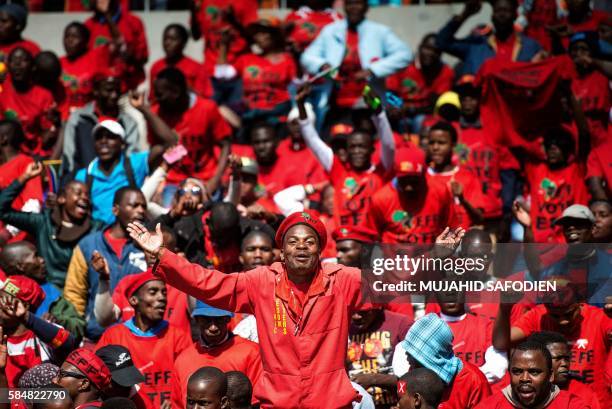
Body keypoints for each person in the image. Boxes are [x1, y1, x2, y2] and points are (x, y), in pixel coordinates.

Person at [126, 211, 365, 408]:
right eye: (293, 241)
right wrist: (161, 254)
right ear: (281, 252)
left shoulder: (342, 280)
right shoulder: (261, 282)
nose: (301, 246)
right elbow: (207, 283)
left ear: (320, 252)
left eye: (309, 241)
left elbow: (394, 278)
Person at [297, 85, 396, 227]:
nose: (357, 151)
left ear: (372, 149)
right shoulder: (339, 171)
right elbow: (312, 140)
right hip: (344, 242)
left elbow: (389, 145)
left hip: (372, 242)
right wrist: (301, 105)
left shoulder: (381, 172)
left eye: (362, 147)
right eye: (353, 147)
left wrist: (379, 113)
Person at [300, 0, 411, 120]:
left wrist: (373, 70)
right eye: (350, 3)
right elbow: (307, 57)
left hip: (368, 101)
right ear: (344, 7)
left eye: (358, 3)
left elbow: (405, 54)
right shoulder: (331, 30)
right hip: (336, 102)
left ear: (366, 7)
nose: (354, 7)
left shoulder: (380, 31)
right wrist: (322, 65)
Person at [96, 270, 192, 407]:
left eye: (164, 292)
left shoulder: (179, 336)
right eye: (153, 292)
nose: (162, 298)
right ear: (134, 300)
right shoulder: (114, 336)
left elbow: (188, 383)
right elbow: (98, 380)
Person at [64, 187, 148, 341]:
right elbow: (74, 294)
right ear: (116, 210)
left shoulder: (148, 247)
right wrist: (79, 329)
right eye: (134, 205)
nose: (141, 210)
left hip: (137, 336)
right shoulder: (88, 245)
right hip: (96, 337)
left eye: (143, 206)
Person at [0, 162, 102, 288]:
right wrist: (24, 177)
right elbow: (2, 210)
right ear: (61, 199)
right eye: (78, 193)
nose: (85, 198)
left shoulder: (95, 228)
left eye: (87, 195)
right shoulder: (43, 223)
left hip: (80, 294)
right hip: (47, 292)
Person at [508, 297, 611, 407]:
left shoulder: (581, 396)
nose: (563, 321)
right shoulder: (517, 395)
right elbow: (502, 341)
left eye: (566, 358)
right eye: (555, 315)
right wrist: (504, 309)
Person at [151, 67, 231, 200]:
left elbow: (226, 143)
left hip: (206, 178)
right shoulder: (156, 114)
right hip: (174, 183)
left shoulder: (207, 108)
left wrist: (216, 180)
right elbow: (154, 152)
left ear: (176, 92)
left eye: (160, 95)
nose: (156, 99)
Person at [94, 226, 191, 334]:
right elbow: (104, 320)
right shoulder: (129, 283)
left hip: (174, 349)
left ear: (175, 252)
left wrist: (185, 269)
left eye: (160, 248)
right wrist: (103, 278)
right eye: (148, 248)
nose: (153, 253)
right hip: (133, 348)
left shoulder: (185, 286)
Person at [73, 119, 169, 225]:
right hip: (98, 236)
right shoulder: (84, 175)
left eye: (110, 137)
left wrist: (143, 108)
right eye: (98, 137)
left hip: (132, 232)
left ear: (122, 143)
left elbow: (169, 142)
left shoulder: (135, 164)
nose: (103, 141)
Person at [171, 301, 262, 409]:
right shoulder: (183, 360)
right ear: (196, 319)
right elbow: (177, 404)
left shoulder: (251, 353)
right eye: (206, 320)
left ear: (228, 319)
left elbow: (257, 403)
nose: (213, 327)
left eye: (219, 319)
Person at [393, 313, 491, 409]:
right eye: (408, 352)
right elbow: (401, 389)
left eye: (413, 354)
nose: (407, 357)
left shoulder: (474, 381)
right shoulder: (416, 370)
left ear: (432, 357)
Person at [61, 73, 143, 182]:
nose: (114, 95)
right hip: (83, 181)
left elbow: (132, 157)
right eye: (108, 90)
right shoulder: (79, 118)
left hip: (118, 182)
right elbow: (69, 157)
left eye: (117, 91)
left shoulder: (128, 122)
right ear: (96, 91)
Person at [365, 146, 455, 244]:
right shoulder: (381, 199)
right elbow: (374, 235)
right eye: (404, 181)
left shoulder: (440, 191)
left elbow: (449, 225)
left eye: (414, 181)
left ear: (424, 175)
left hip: (432, 256)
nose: (409, 187)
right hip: (395, 257)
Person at [0, 275, 78, 387]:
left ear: (24, 306)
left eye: (2, 301)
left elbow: (68, 343)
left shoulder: (43, 335)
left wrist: (27, 318)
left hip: (40, 401)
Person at [218, 17, 296, 126]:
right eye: (257, 34)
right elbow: (221, 75)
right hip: (249, 115)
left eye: (264, 33)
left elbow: (297, 86)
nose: (259, 37)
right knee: (221, 111)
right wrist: (223, 45)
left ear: (275, 35)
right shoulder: (247, 59)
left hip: (278, 115)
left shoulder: (288, 60)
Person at [0, 241, 85, 337]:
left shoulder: (52, 292)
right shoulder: (4, 293)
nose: (42, 260)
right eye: (35, 256)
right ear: (20, 266)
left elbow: (78, 326)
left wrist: (57, 321)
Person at [437, 0, 542, 76]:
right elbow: (442, 42)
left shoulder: (531, 47)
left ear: (515, 15)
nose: (502, 14)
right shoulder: (476, 46)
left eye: (506, 10)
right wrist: (464, 15)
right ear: (492, 16)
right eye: (498, 10)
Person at [473, 341, 590, 409]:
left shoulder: (572, 406)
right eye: (517, 372)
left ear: (550, 376)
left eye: (534, 372)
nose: (524, 379)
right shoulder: (490, 406)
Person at [522, 128, 589, 244]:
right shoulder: (536, 170)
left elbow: (584, 136)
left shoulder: (577, 171)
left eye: (557, 147)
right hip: (540, 242)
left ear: (567, 150)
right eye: (549, 147)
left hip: (567, 241)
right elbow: (527, 145)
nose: (552, 151)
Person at [454, 76, 502, 225]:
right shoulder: (452, 132)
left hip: (491, 210)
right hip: (460, 212)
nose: (468, 103)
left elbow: (508, 171)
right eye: (464, 98)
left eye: (472, 98)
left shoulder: (495, 129)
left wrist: (506, 212)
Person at [189, 1, 257, 105]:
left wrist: (233, 20)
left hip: (239, 71)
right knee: (209, 112)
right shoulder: (202, 2)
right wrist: (193, 11)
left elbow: (253, 38)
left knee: (236, 114)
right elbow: (196, 36)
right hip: (212, 71)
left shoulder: (246, 2)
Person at [386, 33, 455, 133]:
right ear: (420, 48)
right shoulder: (404, 65)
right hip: (400, 111)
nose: (430, 53)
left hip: (424, 114)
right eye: (427, 48)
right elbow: (390, 93)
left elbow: (436, 104)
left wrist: (411, 110)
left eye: (436, 51)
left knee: (420, 121)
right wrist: (396, 106)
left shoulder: (445, 72)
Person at [348, 305, 412, 408]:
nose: (356, 317)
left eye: (363, 312)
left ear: (377, 306)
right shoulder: (344, 327)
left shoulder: (402, 324)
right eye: (352, 310)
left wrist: (375, 379)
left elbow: (413, 383)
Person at [426, 121, 487, 229]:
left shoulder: (467, 177)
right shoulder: (422, 177)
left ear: (453, 145)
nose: (435, 147)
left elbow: (479, 218)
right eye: (431, 142)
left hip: (461, 242)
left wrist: (462, 200)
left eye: (441, 143)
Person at [0, 47, 57, 156]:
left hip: (38, 154)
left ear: (32, 66)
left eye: (23, 60)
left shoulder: (44, 95)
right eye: (13, 60)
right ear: (8, 65)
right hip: (8, 155)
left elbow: (49, 132)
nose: (17, 64)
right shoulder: (2, 93)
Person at [84, 0, 148, 90]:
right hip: (101, 91)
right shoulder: (88, 25)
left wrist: (129, 55)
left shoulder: (134, 22)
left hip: (131, 88)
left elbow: (144, 57)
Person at [527, 331, 601, 409]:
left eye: (567, 358)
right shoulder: (522, 390)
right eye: (558, 358)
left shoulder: (583, 393)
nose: (564, 364)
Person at [0, 120, 43, 244]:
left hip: (19, 244)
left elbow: (34, 204)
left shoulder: (25, 163)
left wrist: (8, 232)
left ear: (3, 139)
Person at [59, 22, 111, 120]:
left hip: (89, 115)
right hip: (65, 117)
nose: (69, 40)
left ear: (86, 41)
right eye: (67, 36)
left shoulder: (95, 60)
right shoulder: (59, 63)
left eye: (75, 37)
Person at [568, 31, 610, 149]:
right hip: (575, 141)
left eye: (584, 49)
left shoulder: (603, 76)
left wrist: (593, 61)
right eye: (574, 49)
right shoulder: (566, 77)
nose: (579, 54)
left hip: (602, 140)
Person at [149, 24, 211, 102]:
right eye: (165, 39)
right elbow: (152, 98)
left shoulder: (197, 68)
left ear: (183, 42)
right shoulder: (156, 67)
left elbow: (203, 98)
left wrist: (182, 88)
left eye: (173, 39)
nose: (167, 43)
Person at [95, 345, 154, 409]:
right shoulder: (87, 397)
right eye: (119, 383)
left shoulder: (142, 402)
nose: (127, 386)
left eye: (129, 377)